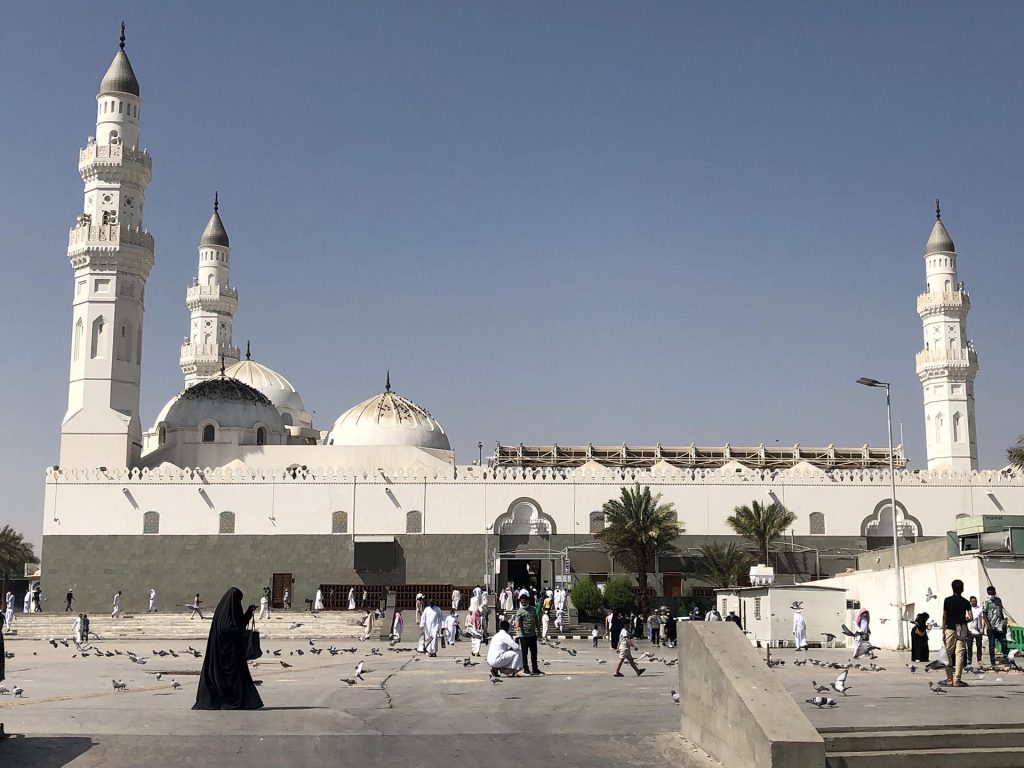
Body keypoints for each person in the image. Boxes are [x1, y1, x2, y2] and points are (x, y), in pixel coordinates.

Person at [192, 587, 263, 710]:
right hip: (226, 651)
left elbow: (238, 623)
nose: (238, 603)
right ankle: (232, 701)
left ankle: (235, 701)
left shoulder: (226, 609)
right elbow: (227, 628)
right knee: (232, 677)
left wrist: (248, 613)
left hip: (230, 651)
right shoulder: (226, 612)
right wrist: (240, 631)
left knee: (234, 676)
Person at [941, 579, 972, 687]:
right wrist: (964, 621)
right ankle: (957, 680)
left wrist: (943, 630)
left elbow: (944, 616)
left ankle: (949, 679)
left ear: (952, 588)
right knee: (960, 654)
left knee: (948, 653)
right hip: (962, 627)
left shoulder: (947, 600)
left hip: (950, 628)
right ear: (962, 589)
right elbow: (971, 617)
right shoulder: (966, 602)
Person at [514, 594, 542, 675]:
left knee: (534, 652)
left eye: (524, 602)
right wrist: (517, 627)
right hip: (523, 636)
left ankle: (535, 668)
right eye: (522, 602)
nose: (523, 603)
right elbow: (518, 621)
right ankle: (526, 668)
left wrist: (539, 632)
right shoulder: (520, 611)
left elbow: (536, 621)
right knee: (524, 653)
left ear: (528, 601)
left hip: (532, 635)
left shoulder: (533, 609)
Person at [982, 585, 1009, 666]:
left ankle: (1006, 659)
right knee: (992, 645)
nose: (991, 595)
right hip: (991, 627)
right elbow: (984, 614)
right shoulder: (986, 601)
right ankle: (993, 662)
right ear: (987, 593)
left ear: (995, 592)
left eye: (992, 593)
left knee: (1004, 642)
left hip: (999, 626)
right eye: (989, 593)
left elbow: (1000, 612)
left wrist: (1003, 623)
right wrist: (989, 626)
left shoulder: (998, 600)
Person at [966, 596, 983, 666]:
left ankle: (979, 659)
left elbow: (982, 619)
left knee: (979, 646)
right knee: (969, 646)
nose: (974, 602)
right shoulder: (968, 610)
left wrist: (982, 628)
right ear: (970, 602)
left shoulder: (980, 609)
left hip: (978, 630)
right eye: (973, 601)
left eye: (975, 601)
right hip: (969, 630)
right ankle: (969, 659)